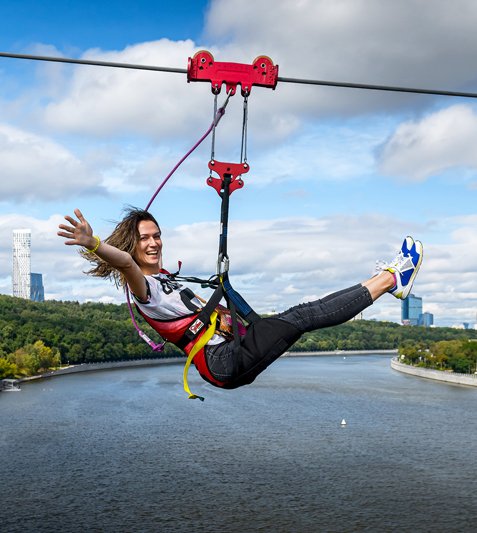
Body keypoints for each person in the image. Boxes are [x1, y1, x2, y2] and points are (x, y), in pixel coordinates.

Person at [58, 207, 423, 395]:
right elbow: (122, 263)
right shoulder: (144, 289)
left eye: (158, 236)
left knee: (301, 316)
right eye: (145, 239)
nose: (154, 243)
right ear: (131, 246)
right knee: (302, 315)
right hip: (223, 362)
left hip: (227, 357)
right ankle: (392, 278)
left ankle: (388, 280)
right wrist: (93, 243)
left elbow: (208, 315)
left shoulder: (166, 281)